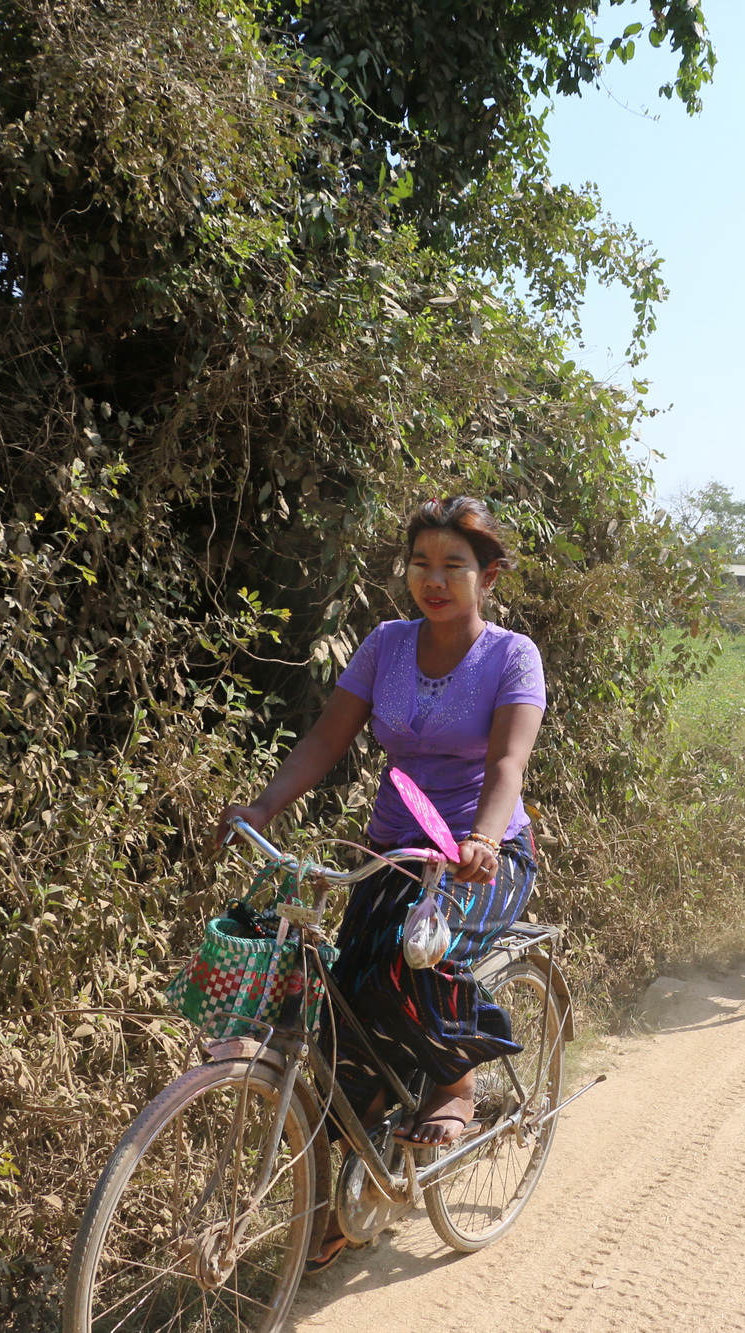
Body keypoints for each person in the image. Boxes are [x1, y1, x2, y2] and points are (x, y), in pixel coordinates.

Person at [218, 497, 546, 1269]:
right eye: (421, 564)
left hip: (483, 854)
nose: (433, 580)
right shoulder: (386, 645)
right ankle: (340, 1206)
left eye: (453, 566)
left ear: (487, 576)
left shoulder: (511, 656)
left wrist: (486, 837)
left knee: (407, 958)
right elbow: (327, 738)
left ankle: (457, 1078)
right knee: (337, 1016)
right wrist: (264, 804)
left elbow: (507, 763)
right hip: (392, 851)